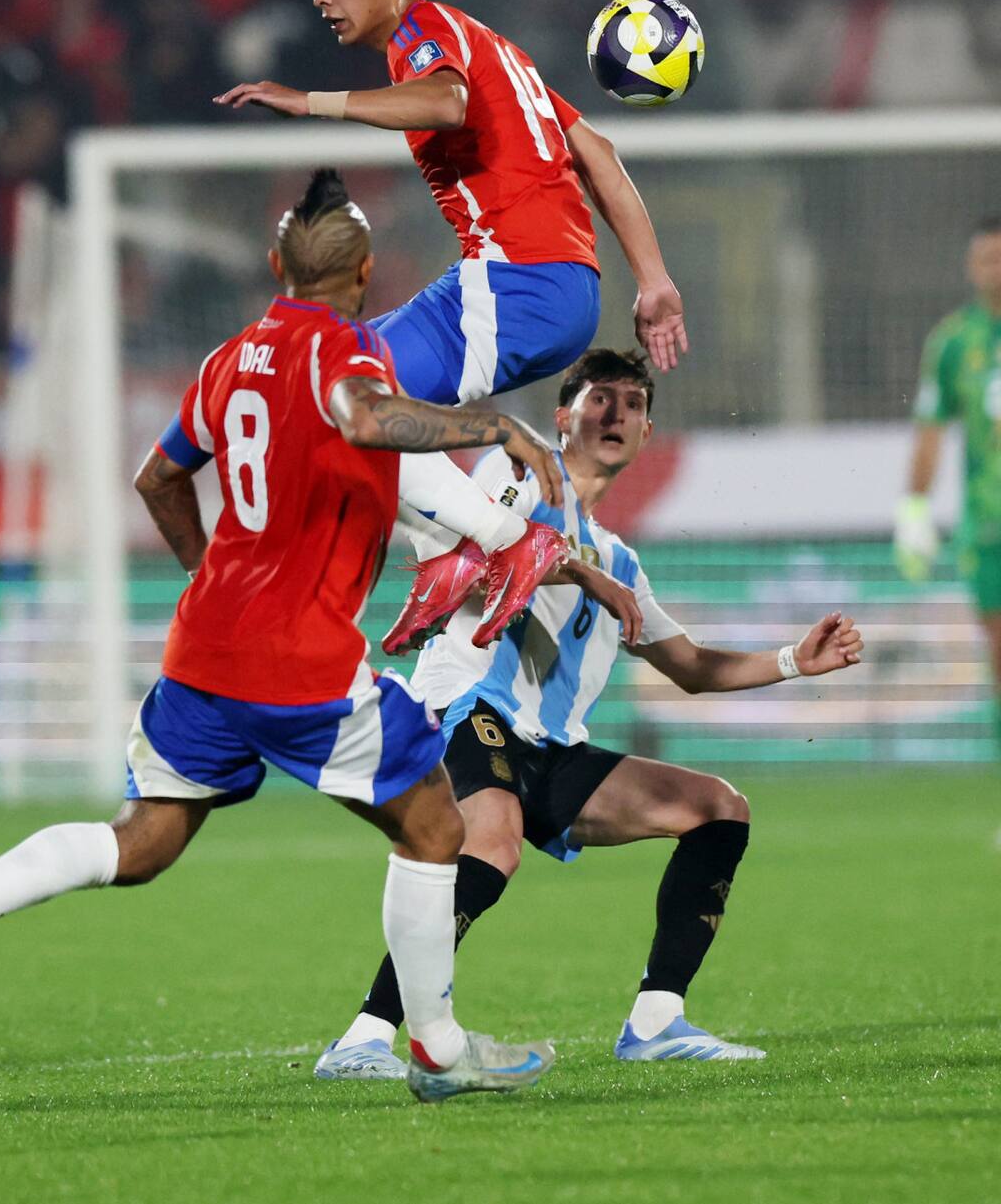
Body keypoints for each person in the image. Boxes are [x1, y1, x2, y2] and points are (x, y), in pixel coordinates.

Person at [0, 170, 563, 1104]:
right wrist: (495, 423)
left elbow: (157, 477)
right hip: (300, 661)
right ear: (365, 275)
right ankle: (436, 1050)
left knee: (142, 840)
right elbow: (362, 414)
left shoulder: (230, 358)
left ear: (276, 266)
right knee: (437, 822)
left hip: (201, 654)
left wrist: (212, 579)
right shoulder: (348, 350)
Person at [313, 349, 865, 1079]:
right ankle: (364, 1034)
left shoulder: (623, 561)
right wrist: (585, 574)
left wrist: (795, 659)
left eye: (633, 404)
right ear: (562, 416)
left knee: (718, 809)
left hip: (552, 747)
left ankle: (657, 1018)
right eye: (600, 397)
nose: (617, 412)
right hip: (470, 705)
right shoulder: (513, 476)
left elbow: (692, 666)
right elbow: (488, 551)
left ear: (646, 434)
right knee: (492, 841)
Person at [214, 0, 688, 655]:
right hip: (557, 286)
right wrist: (654, 280)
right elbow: (595, 151)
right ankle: (447, 557)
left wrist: (310, 105)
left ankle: (506, 542)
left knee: (338, 401)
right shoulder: (494, 45)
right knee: (340, 383)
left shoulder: (424, 34)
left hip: (518, 284)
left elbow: (445, 101)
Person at [895, 216, 1001, 754]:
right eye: (986, 259)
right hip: (989, 527)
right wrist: (915, 510)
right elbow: (931, 431)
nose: (995, 270)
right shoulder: (956, 341)